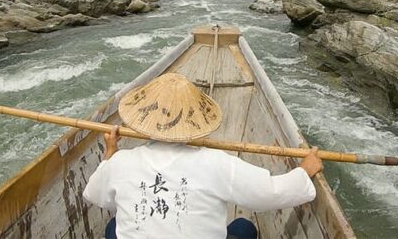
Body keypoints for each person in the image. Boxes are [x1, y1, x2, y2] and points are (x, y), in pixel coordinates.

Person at [83, 73, 323, 239]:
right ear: (193, 123)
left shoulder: (121, 162)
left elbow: (95, 195)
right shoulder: (217, 162)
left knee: (114, 227)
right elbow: (269, 193)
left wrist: (110, 155)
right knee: (244, 227)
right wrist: (305, 171)